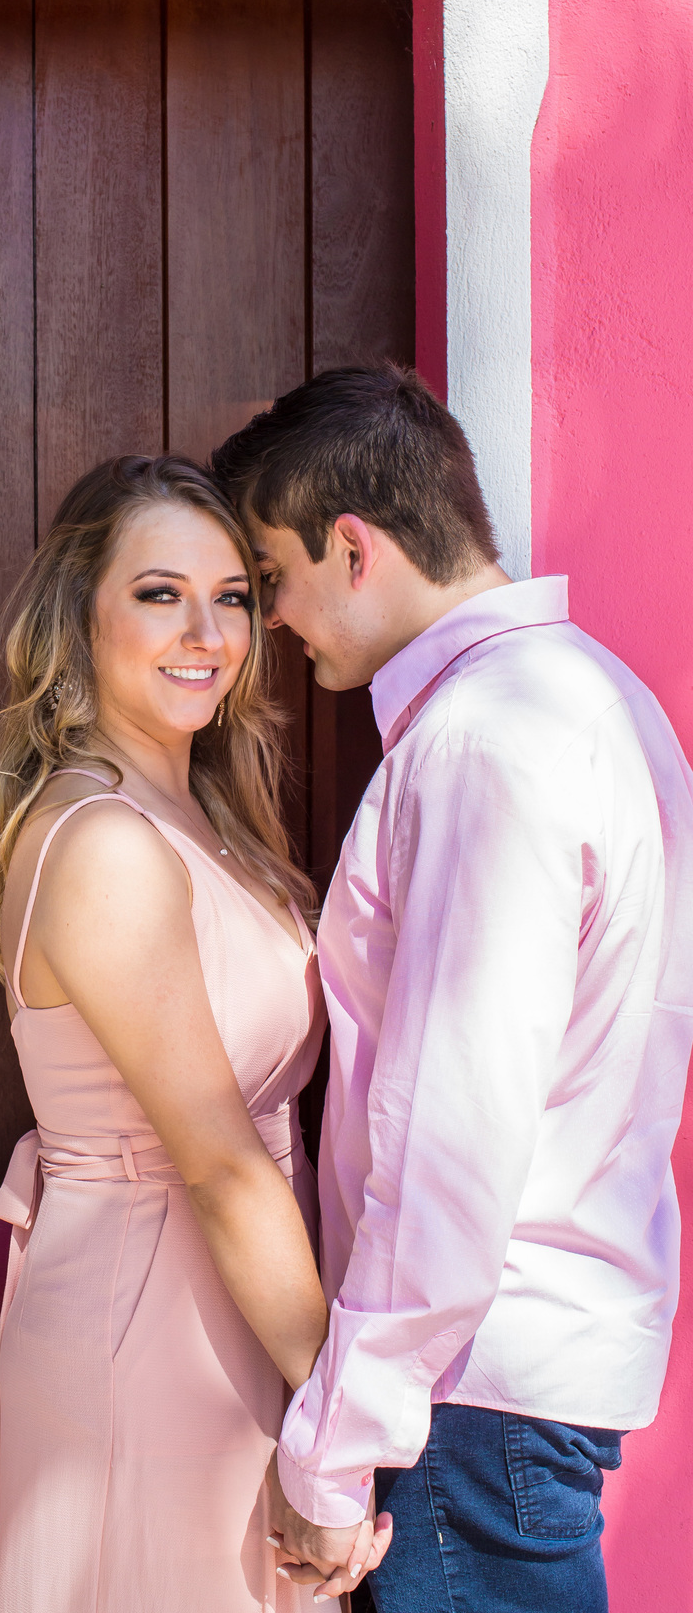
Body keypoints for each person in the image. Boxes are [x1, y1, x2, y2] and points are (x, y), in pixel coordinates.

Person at [212, 363, 693, 1613]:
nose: (270, 621)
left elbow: (450, 1140)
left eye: (272, 579)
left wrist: (334, 1448)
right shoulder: (600, 700)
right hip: (505, 1398)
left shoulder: (486, 741)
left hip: (462, 1413)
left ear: (354, 547)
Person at [0, 455, 392, 1613]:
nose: (205, 630)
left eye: (233, 596)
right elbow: (216, 1162)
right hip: (148, 1338)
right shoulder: (106, 843)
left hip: (237, 1319)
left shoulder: (204, 812)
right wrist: (338, 1420)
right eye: (160, 593)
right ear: (81, 615)